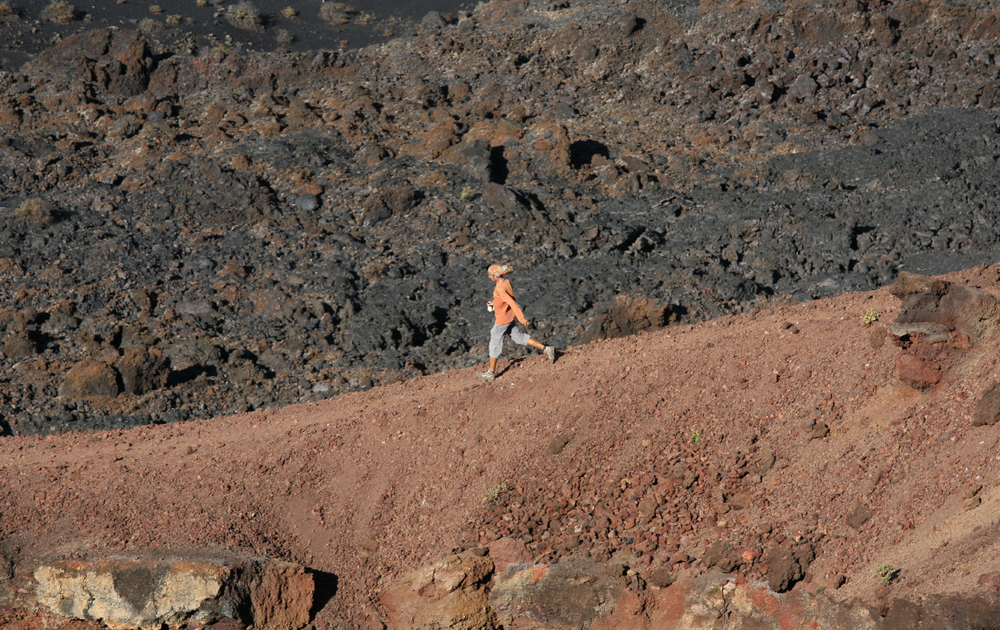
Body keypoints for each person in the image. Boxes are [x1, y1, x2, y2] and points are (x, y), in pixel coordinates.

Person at [477, 264, 557, 382]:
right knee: (519, 337)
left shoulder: (499, 288)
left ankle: (490, 373)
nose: (489, 277)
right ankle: (546, 349)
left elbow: (512, 304)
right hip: (509, 318)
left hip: (502, 321)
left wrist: (521, 318)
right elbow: (506, 299)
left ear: (496, 276)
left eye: (490, 275)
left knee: (494, 344)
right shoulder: (506, 282)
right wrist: (495, 303)